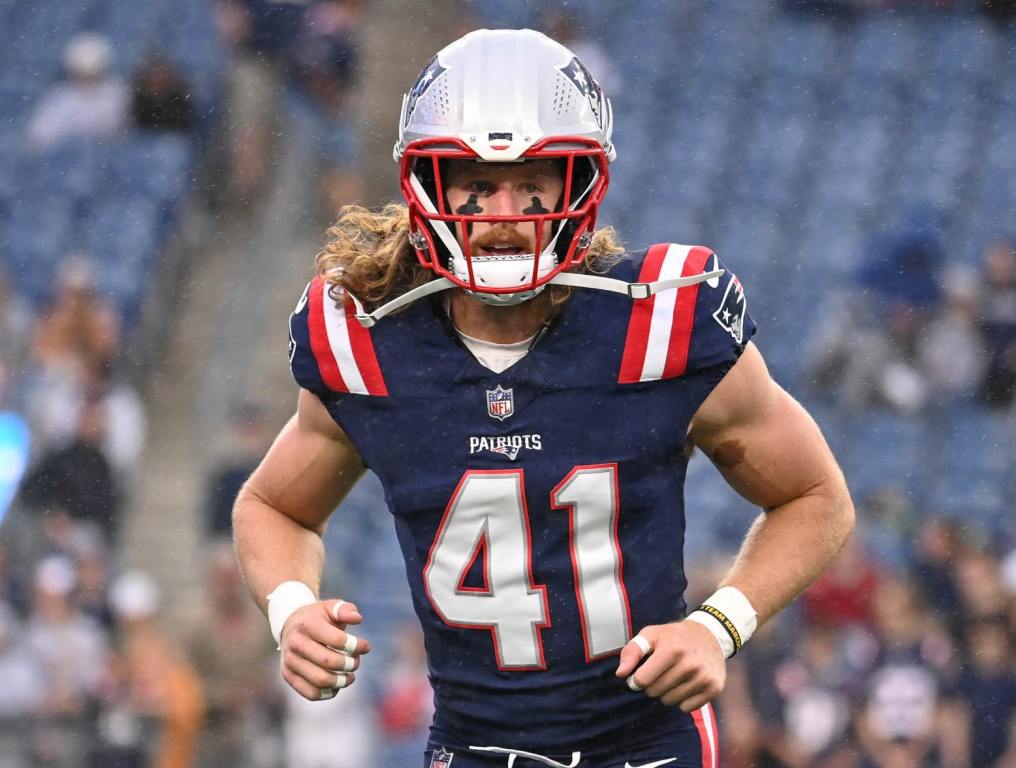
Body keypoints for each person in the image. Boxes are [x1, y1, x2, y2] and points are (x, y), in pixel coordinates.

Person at [233, 29, 855, 768]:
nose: (505, 211)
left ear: (580, 185)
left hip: (647, 746)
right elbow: (272, 506)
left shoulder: (661, 323)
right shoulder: (371, 341)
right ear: (426, 187)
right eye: (475, 180)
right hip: (473, 749)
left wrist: (717, 626)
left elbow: (817, 496)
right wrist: (292, 610)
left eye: (534, 182)